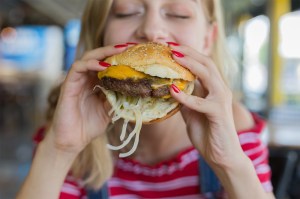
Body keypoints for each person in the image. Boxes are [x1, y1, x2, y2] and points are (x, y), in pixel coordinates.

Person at [16, 0, 275, 198]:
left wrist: (229, 164)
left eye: (178, 13)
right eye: (127, 11)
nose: (152, 31)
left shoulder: (238, 129)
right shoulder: (64, 132)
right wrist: (59, 150)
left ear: (208, 39)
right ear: (101, 31)